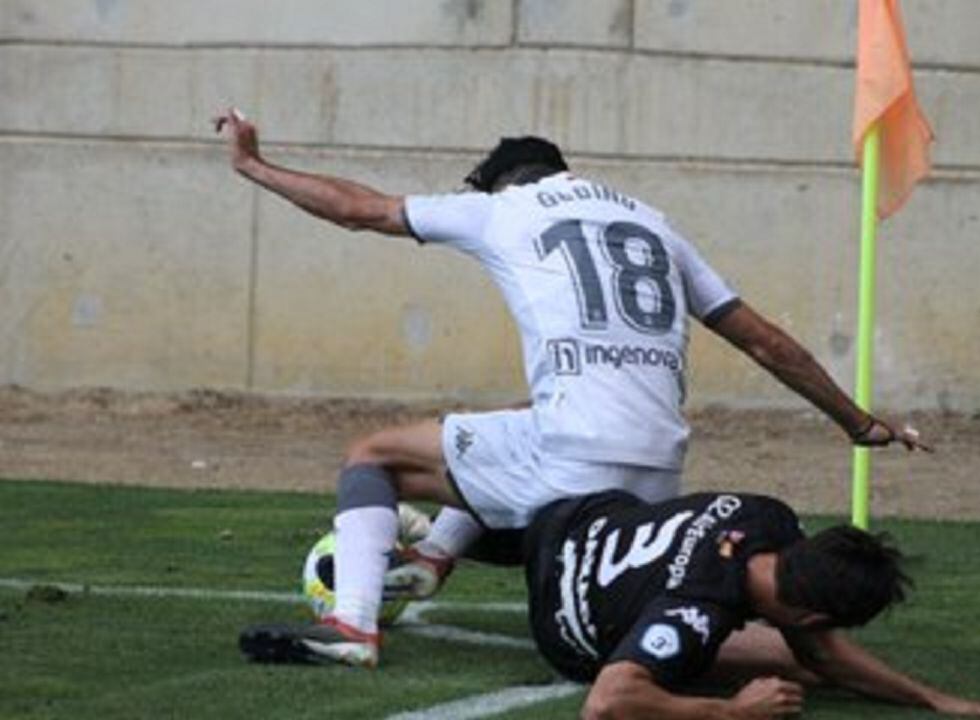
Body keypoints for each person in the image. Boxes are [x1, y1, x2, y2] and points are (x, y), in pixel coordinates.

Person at [215, 108, 929, 668]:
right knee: (516, 422)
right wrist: (857, 422)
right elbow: (764, 339)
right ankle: (434, 558)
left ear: (502, 182)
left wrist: (254, 166)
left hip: (572, 462)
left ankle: (354, 624)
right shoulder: (654, 224)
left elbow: (358, 208)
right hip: (655, 486)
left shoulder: (504, 209)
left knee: (374, 455)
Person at [522, 489, 980, 719]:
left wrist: (939, 701)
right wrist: (732, 712)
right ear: (811, 618)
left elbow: (822, 654)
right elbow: (607, 703)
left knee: (804, 666)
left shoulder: (771, 517)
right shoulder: (695, 615)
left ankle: (460, 533)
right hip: (562, 625)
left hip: (580, 513)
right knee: (784, 671)